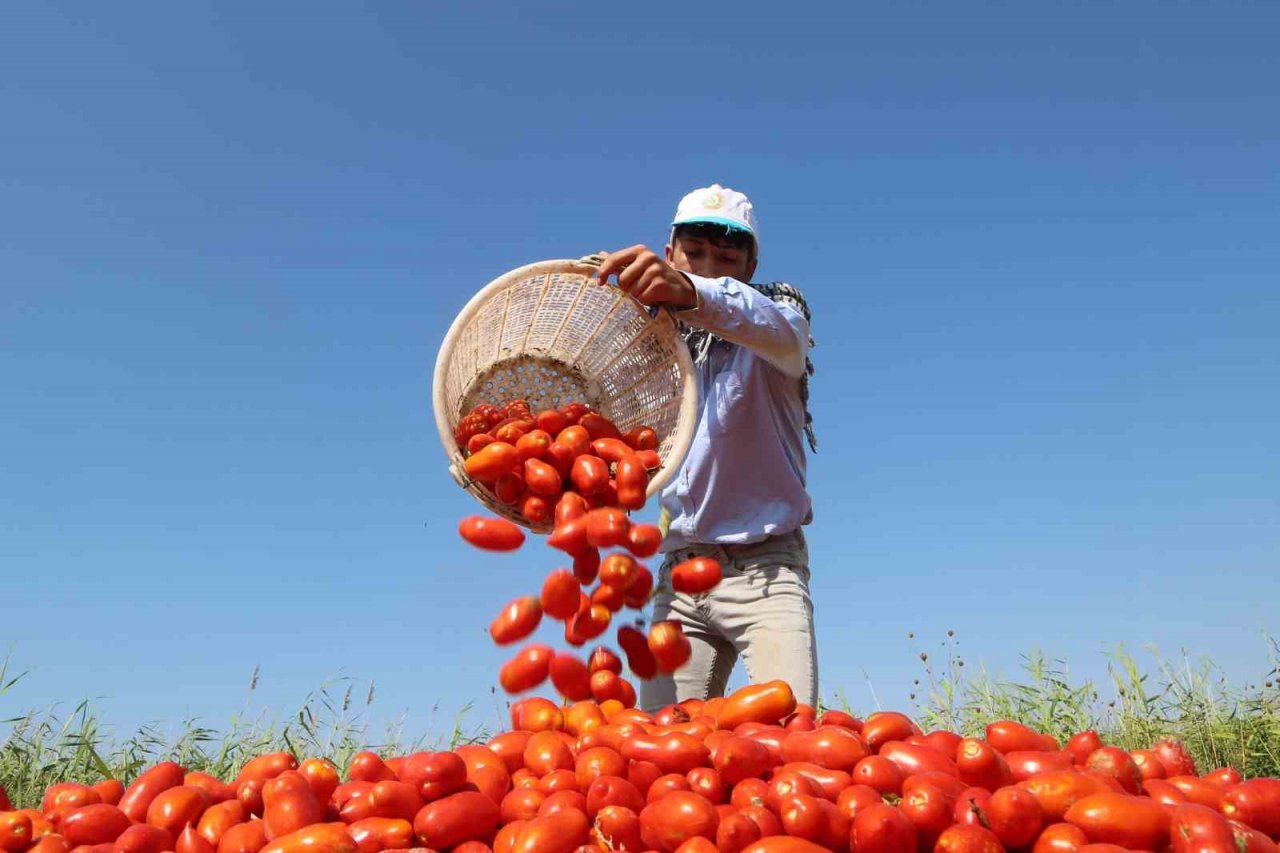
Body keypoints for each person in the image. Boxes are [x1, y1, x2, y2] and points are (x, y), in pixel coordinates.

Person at [594, 183, 818, 711]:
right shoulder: (650, 347)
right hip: (680, 582)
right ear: (670, 250)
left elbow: (773, 324)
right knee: (660, 757)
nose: (709, 266)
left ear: (750, 264)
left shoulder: (776, 314)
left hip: (765, 574)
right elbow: (607, 435)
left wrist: (690, 291)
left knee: (794, 740)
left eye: (726, 257)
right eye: (694, 253)